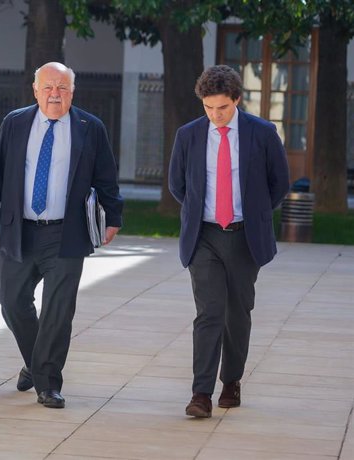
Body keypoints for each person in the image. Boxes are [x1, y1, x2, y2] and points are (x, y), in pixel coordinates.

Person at [0, 62, 123, 409]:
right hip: (20, 229)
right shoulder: (15, 123)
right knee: (11, 300)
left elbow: (106, 178)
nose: (54, 94)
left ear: (72, 92)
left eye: (62, 88)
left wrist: (113, 217)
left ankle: (48, 384)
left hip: (66, 233)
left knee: (58, 310)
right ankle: (35, 361)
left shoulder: (91, 127)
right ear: (35, 90)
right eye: (48, 87)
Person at [168, 65, 290, 418]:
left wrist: (252, 212)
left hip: (243, 236)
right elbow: (178, 184)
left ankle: (231, 380)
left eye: (221, 107)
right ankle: (200, 393)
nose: (215, 115)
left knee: (237, 313)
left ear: (236, 99)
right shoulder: (189, 135)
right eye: (208, 108)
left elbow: (278, 183)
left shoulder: (262, 133)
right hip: (203, 235)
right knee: (209, 313)